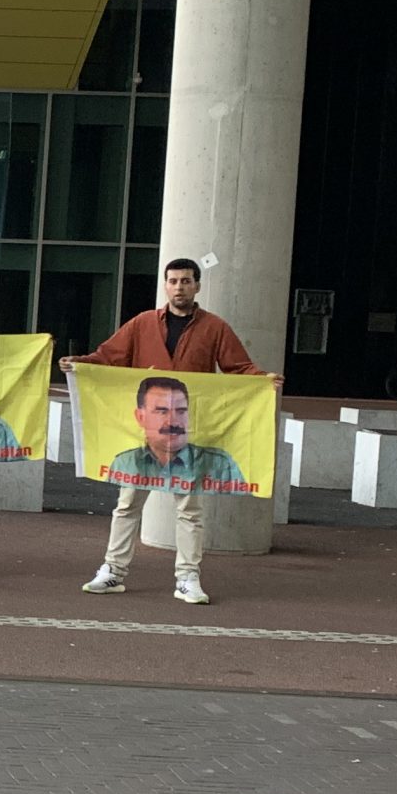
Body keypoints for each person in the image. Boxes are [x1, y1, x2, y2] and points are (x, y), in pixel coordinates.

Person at [63, 256, 278, 606]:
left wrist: (262, 380)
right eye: (174, 281)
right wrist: (80, 364)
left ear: (197, 286)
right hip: (142, 441)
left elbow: (239, 367)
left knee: (190, 510)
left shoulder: (215, 328)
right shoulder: (142, 323)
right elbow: (108, 356)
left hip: (188, 437)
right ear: (165, 285)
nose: (179, 287)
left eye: (186, 281)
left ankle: (188, 577)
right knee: (127, 505)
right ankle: (113, 571)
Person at [100, 375, 251, 493]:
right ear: (141, 417)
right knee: (127, 509)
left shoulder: (220, 463)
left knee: (190, 514)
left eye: (181, 411)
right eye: (162, 411)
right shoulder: (124, 463)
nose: (173, 422)